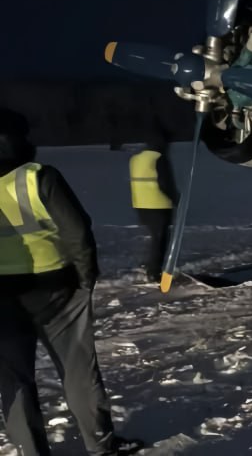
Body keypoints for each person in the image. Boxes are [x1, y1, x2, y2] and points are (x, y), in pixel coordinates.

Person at [0, 108, 142, 455]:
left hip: (3, 298)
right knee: (78, 371)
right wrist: (85, 276)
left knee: (14, 380)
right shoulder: (38, 177)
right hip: (57, 289)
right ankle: (101, 446)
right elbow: (77, 230)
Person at [129, 127, 179, 283]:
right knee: (160, 239)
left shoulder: (136, 159)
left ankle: (152, 266)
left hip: (141, 205)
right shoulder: (159, 158)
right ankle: (154, 271)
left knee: (155, 238)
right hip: (158, 204)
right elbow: (165, 183)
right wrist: (177, 199)